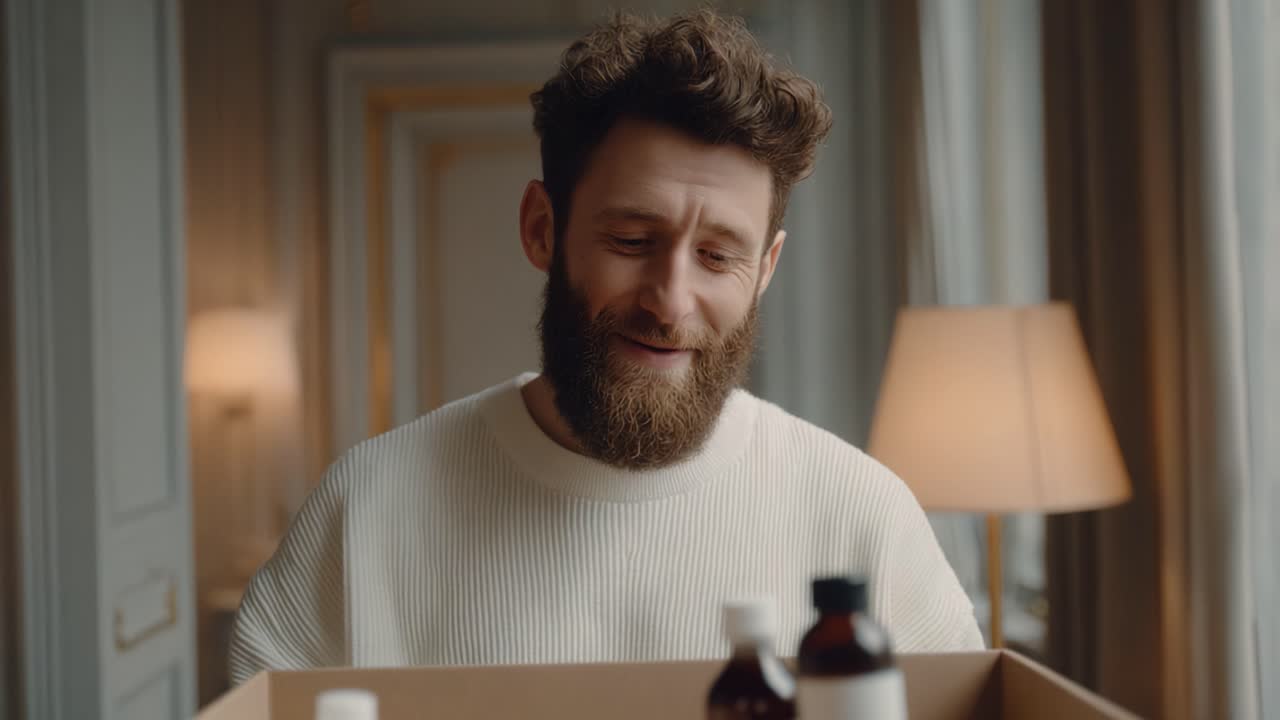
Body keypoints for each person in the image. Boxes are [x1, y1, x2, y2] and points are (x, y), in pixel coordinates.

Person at [229, 9, 982, 685]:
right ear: (541, 228)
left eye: (719, 257)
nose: (669, 300)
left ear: (767, 271)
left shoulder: (863, 517)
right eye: (631, 240)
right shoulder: (366, 510)